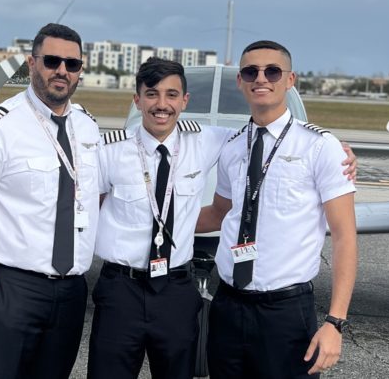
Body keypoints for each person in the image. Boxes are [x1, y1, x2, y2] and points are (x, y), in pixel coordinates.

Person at [91, 57, 357, 379]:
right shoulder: (107, 150)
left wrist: (336, 151)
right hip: (121, 288)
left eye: (172, 95)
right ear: (137, 100)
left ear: (185, 101)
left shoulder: (211, 140)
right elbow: (87, 210)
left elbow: (266, 134)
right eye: (151, 94)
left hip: (176, 289)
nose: (162, 105)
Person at [0, 23, 101, 379]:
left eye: (72, 64)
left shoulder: (88, 127)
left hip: (71, 291)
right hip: (12, 291)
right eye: (51, 61)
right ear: (32, 64)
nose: (62, 71)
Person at [200, 40, 358, 378]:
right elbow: (217, 213)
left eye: (272, 71)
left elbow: (345, 236)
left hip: (285, 312)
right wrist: (156, 222)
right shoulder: (231, 147)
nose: (261, 78)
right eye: (250, 72)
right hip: (228, 306)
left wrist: (335, 322)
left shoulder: (320, 147)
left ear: (290, 79)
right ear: (240, 81)